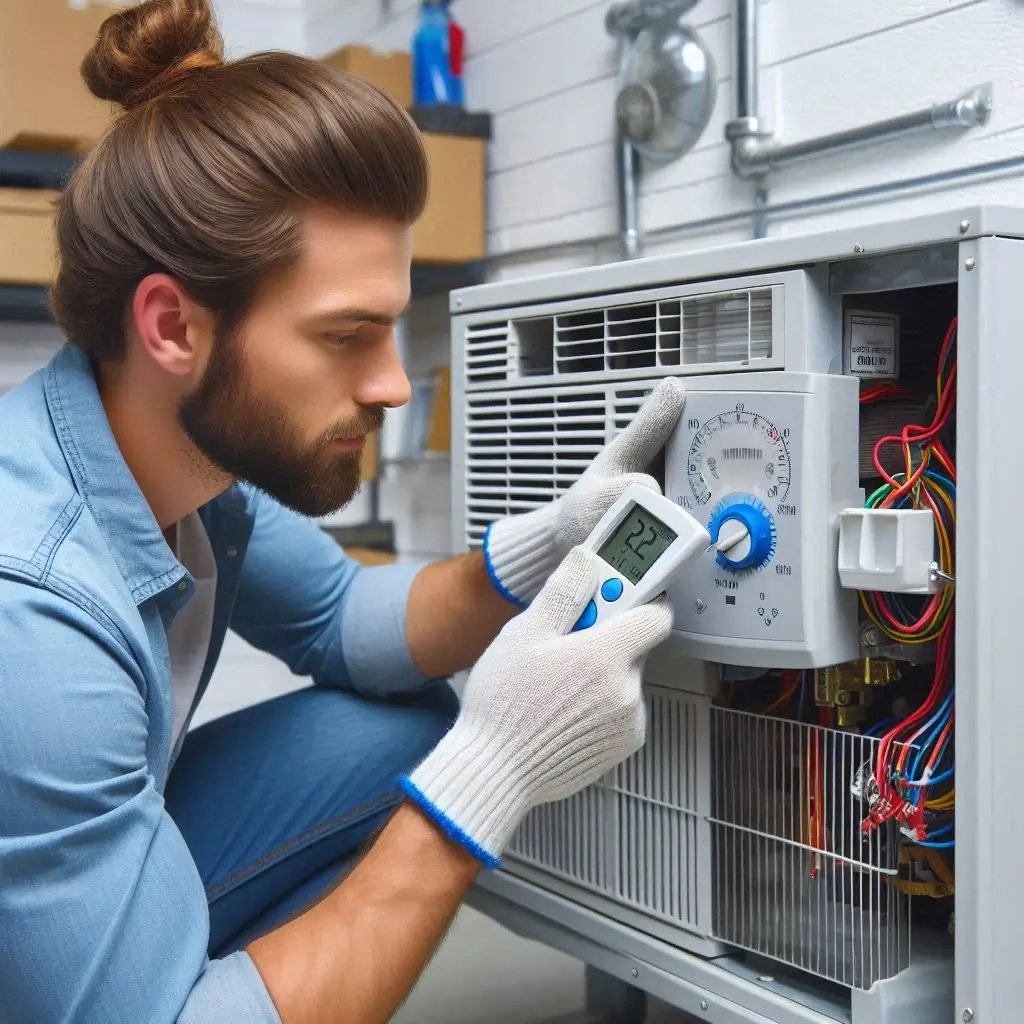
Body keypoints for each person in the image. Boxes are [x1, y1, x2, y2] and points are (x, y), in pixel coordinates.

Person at [0, 2, 688, 1022]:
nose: (392, 385)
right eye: (344, 335)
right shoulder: (34, 612)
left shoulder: (184, 472)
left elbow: (343, 622)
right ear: (171, 325)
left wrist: (547, 541)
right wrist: (487, 775)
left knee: (391, 729)